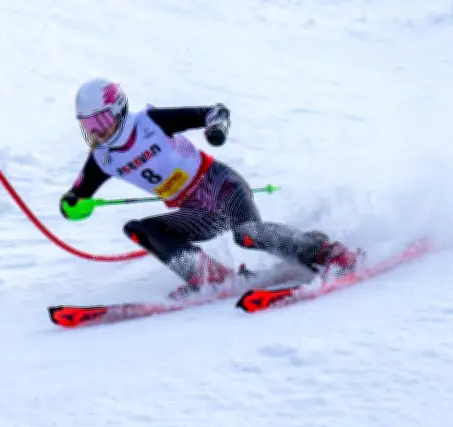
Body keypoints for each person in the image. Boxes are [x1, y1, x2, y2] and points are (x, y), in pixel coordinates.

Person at [60, 77, 360, 299]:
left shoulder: (149, 123)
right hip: (197, 212)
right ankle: (209, 277)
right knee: (141, 230)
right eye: (88, 125)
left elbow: (215, 112)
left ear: (119, 109)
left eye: (101, 120)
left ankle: (327, 252)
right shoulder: (103, 158)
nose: (97, 132)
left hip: (222, 187)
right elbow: (77, 196)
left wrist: (216, 128)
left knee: (247, 234)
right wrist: (71, 205)